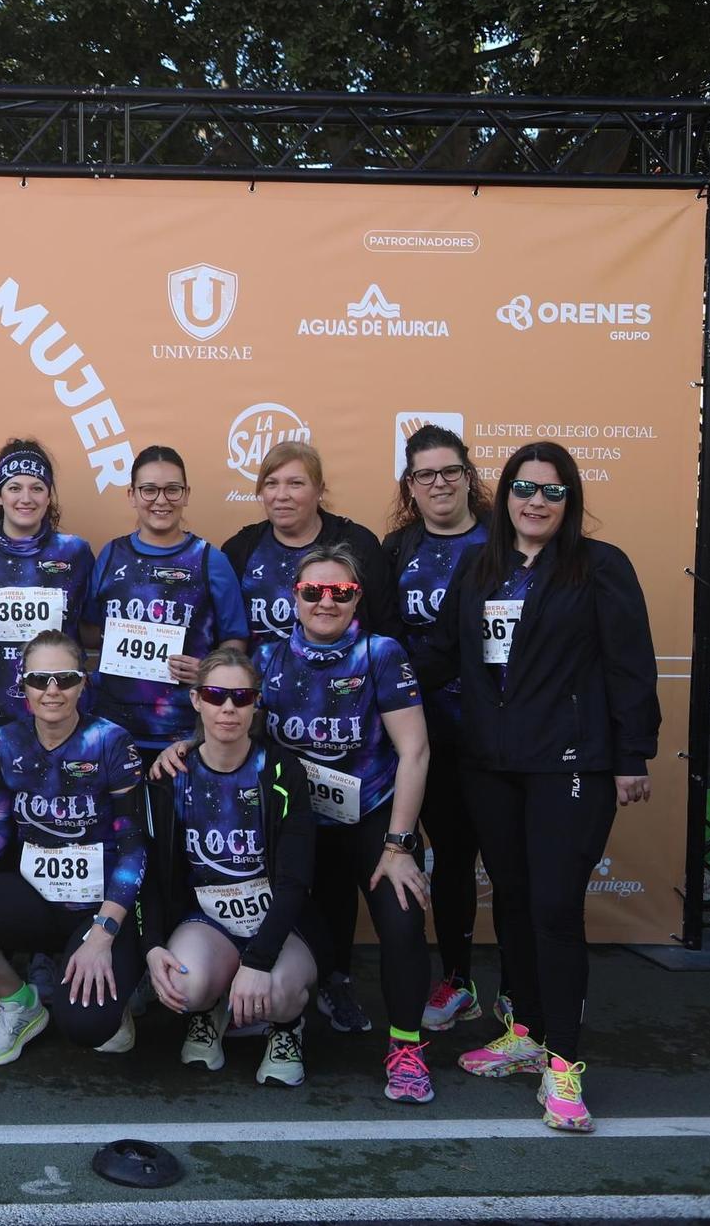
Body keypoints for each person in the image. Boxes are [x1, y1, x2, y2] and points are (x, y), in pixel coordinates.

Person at [418, 442, 658, 1132]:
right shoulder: (478, 565)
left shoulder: (600, 566)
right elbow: (442, 653)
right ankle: (525, 1029)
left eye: (552, 492)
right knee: (516, 899)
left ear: (570, 500)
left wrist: (632, 753)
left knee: (554, 907)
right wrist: (367, 665)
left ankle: (565, 1068)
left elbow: (630, 663)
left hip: (571, 765)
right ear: (506, 494)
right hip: (490, 764)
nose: (536, 502)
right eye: (524, 488)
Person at [156, 546, 434, 1102]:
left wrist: (401, 843)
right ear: (294, 599)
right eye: (313, 592)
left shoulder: (380, 653)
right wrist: (187, 744)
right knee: (314, 928)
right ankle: (306, 1003)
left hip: (369, 817)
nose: (325, 601)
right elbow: (234, 719)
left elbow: (416, 750)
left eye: (340, 592)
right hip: (296, 823)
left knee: (401, 920)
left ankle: (406, 1047)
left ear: (357, 598)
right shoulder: (271, 657)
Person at [0, 631, 147, 1062]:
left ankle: (112, 988)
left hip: (99, 905)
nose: (52, 690)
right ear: (23, 685)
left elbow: (134, 846)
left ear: (83, 683)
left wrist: (103, 933)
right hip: (36, 897)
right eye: (40, 680)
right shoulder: (6, 740)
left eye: (65, 678)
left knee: (89, 1027)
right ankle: (20, 1002)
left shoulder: (112, 741)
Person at [140, 648, 317, 1086]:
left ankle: (287, 1026)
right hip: (208, 918)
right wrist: (152, 943)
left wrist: (257, 961)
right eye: (216, 695)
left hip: (276, 919)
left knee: (278, 994)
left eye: (241, 697)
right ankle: (209, 1010)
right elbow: (146, 867)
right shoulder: (171, 775)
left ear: (256, 703)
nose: (228, 708)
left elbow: (295, 881)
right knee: (184, 984)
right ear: (197, 700)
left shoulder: (280, 770)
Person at [382, 425, 492, 1031]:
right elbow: (382, 638)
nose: (440, 483)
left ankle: (521, 998)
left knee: (498, 860)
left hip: (495, 733)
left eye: (450, 471)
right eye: (426, 474)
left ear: (468, 476)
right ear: (411, 485)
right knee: (446, 858)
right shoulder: (396, 549)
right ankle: (456, 980)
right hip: (419, 732)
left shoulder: (504, 539)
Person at [0, 439, 95, 826]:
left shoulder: (75, 553)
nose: (25, 497)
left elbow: (92, 626)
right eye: (14, 487)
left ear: (49, 496)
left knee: (53, 829)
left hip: (58, 717)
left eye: (36, 487)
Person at [84, 445, 249, 759]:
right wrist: (121, 637)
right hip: (112, 728)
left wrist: (209, 670)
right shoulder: (110, 555)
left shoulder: (210, 560)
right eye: (149, 490)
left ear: (186, 494)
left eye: (172, 490)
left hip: (184, 733)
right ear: (131, 494)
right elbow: (88, 631)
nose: (161, 500)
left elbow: (236, 639)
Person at [222, 441, 398, 653]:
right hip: (259, 682)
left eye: (295, 483)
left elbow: (387, 631)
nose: (281, 495)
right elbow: (224, 635)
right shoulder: (239, 550)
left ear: (319, 490)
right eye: (271, 484)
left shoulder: (358, 544)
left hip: (345, 681)